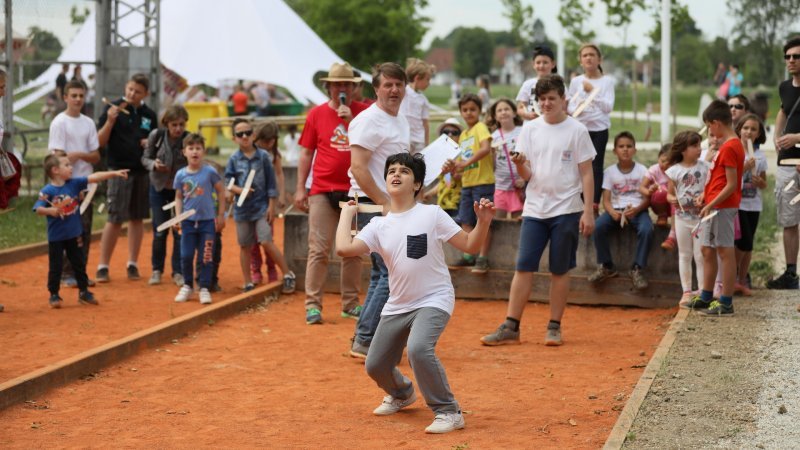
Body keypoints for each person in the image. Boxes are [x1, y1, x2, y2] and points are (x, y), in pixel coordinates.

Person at [335, 153, 495, 434]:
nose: (396, 174)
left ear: (417, 183)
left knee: (420, 350)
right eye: (391, 171)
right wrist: (346, 214)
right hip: (397, 304)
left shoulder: (431, 214)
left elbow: (469, 245)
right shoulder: (378, 226)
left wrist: (483, 222)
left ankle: (448, 411)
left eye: (405, 171)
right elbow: (344, 249)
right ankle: (402, 393)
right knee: (375, 365)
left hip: (434, 298)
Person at [480, 74, 595, 347]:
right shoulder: (529, 129)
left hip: (567, 208)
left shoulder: (577, 130)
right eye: (541, 99)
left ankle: (554, 326)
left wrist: (588, 211)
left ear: (563, 99)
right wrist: (519, 164)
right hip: (534, 208)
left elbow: (587, 173)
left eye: (551, 99)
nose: (546, 104)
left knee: (560, 269)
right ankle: (511, 325)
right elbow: (528, 174)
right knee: (524, 266)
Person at [294, 62, 369, 325]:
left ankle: (350, 304)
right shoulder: (315, 114)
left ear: (354, 87)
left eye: (347, 84)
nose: (342, 89)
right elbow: (306, 153)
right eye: (337, 84)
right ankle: (313, 305)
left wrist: (351, 121)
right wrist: (300, 188)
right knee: (319, 249)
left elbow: (372, 145)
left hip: (354, 190)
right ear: (328, 87)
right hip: (323, 189)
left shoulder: (365, 112)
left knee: (352, 249)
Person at [347, 62, 410, 358]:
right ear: (376, 89)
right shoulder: (369, 120)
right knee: (388, 273)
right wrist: (384, 203)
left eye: (399, 84)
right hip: (372, 205)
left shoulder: (400, 118)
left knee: (379, 274)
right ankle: (366, 338)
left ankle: (364, 337)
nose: (394, 90)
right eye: (388, 85)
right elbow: (358, 168)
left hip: (385, 206)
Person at [35, 151, 129, 308]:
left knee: (79, 263)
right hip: (56, 237)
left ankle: (84, 292)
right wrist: (50, 211)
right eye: (66, 165)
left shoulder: (74, 183)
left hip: (73, 234)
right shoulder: (47, 191)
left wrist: (114, 173)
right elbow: (38, 208)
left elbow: (95, 177)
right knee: (56, 266)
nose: (71, 167)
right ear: (55, 170)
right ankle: (54, 294)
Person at [95, 73, 157, 283]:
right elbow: (100, 142)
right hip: (117, 170)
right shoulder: (112, 108)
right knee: (114, 218)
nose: (132, 94)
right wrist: (110, 121)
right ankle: (103, 266)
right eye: (130, 89)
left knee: (137, 218)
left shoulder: (149, 115)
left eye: (137, 91)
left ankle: (133, 263)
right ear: (125, 87)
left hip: (141, 170)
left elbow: (155, 144)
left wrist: (149, 143)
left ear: (145, 94)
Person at [684, 100, 745, 316]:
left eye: (709, 125)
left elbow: (731, 184)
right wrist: (706, 195)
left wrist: (710, 203)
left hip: (722, 207)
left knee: (724, 252)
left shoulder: (730, 146)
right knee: (707, 250)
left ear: (716, 123)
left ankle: (726, 301)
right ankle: (706, 295)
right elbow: (718, 179)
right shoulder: (726, 145)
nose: (709, 130)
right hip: (714, 205)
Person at [225, 118, 295, 294]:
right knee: (245, 245)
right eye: (240, 134)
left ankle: (287, 274)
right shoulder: (233, 159)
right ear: (234, 138)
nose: (244, 136)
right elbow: (228, 182)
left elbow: (272, 183)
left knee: (266, 241)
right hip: (242, 210)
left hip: (261, 207)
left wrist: (271, 206)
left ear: (253, 135)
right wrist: (239, 190)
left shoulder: (264, 157)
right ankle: (248, 281)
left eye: (248, 133)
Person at [48, 80, 101, 288]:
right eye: (74, 95)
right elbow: (58, 157)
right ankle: (65, 273)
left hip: (85, 185)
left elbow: (96, 155)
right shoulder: (59, 123)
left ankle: (80, 273)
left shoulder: (88, 123)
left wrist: (81, 155)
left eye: (81, 95)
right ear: (65, 97)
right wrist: (74, 162)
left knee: (84, 230)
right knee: (67, 231)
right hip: (66, 185)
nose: (78, 99)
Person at [587, 131, 652, 290]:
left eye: (629, 146)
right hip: (616, 210)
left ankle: (637, 268)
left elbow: (647, 199)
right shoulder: (609, 172)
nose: (625, 150)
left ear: (635, 150)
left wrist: (637, 210)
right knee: (599, 226)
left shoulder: (643, 170)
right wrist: (611, 212)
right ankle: (607, 266)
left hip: (637, 210)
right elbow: (606, 200)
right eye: (621, 146)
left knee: (647, 229)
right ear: (615, 151)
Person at [172, 134, 227, 304]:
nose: (194, 152)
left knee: (206, 256)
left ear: (203, 151)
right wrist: (178, 217)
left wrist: (220, 215)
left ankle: (204, 287)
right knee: (186, 255)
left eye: (198, 148)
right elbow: (179, 197)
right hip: (188, 223)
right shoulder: (180, 174)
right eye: (191, 148)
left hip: (207, 222)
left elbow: (221, 191)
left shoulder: (210, 172)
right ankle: (188, 286)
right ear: (184, 152)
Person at [445, 93, 494, 273]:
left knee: (484, 220)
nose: (468, 113)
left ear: (479, 111)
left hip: (483, 182)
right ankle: (468, 255)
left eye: (472, 109)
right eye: (465, 110)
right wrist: (456, 170)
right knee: (466, 219)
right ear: (460, 112)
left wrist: (464, 164)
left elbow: (485, 149)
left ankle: (482, 257)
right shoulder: (464, 134)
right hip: (468, 183)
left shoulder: (480, 127)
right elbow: (465, 161)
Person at [141, 105, 189, 286]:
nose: (178, 129)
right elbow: (144, 158)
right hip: (158, 188)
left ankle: (178, 271)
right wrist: (154, 164)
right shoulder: (157, 136)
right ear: (166, 124)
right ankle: (156, 270)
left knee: (179, 231)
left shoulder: (187, 139)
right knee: (160, 231)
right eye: (174, 125)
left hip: (181, 191)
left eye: (181, 125)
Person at [767, 36, 800, 290]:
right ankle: (791, 273)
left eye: (796, 56)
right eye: (788, 56)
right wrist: (777, 137)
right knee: (789, 219)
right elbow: (783, 109)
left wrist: (796, 137)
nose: (791, 61)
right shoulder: (785, 87)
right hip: (787, 163)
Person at [567, 43, 614, 211]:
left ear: (599, 59)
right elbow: (570, 107)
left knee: (596, 165)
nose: (588, 58)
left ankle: (594, 202)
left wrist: (593, 91)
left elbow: (608, 107)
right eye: (585, 55)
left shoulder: (607, 81)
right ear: (580, 60)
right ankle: (578, 199)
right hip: (580, 128)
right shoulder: (576, 81)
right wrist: (579, 105)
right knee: (577, 164)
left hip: (599, 129)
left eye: (592, 55)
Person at [665, 131, 709, 307]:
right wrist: (672, 199)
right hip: (682, 218)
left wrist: (705, 196)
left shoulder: (706, 167)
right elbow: (669, 194)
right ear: (683, 149)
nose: (699, 149)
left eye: (699, 145)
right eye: (695, 146)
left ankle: (703, 291)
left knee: (700, 255)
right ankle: (687, 292)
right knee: (684, 254)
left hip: (701, 218)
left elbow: (711, 187)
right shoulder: (674, 170)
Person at [735, 113, 768, 295]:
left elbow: (764, 183)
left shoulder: (760, 156)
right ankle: (730, 277)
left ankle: (742, 280)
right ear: (739, 130)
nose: (748, 132)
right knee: (743, 242)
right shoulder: (734, 152)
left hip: (753, 204)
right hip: (737, 204)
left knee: (749, 245)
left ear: (758, 134)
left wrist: (760, 182)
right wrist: (744, 168)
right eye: (745, 128)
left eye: (753, 129)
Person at [250, 121, 285, 285]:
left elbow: (279, 175)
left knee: (267, 238)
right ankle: (255, 270)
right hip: (251, 202)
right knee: (252, 240)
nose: (268, 144)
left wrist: (281, 196)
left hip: (267, 202)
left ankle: (271, 268)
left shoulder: (274, 155)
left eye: (271, 141)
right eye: (265, 141)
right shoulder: (251, 154)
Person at [487, 99, 524, 219]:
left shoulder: (523, 131)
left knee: (518, 225)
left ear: (514, 113)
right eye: (499, 110)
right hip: (500, 187)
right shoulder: (492, 137)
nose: (503, 112)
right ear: (495, 116)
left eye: (507, 109)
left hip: (519, 187)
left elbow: (531, 157)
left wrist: (523, 179)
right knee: (498, 223)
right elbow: (491, 166)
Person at [423, 118, 463, 219]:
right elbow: (446, 181)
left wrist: (452, 173)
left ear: (460, 136)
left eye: (454, 132)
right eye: (446, 132)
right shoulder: (441, 157)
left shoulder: (463, 156)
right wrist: (430, 193)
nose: (450, 135)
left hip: (457, 203)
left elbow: (464, 179)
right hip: (443, 203)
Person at [399, 58, 435, 154]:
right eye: (427, 79)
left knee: (418, 166)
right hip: (404, 138)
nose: (429, 83)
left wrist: (427, 144)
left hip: (419, 141)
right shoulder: (403, 91)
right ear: (417, 78)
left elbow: (425, 123)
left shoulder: (423, 100)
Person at [516, 45, 558, 121]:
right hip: (532, 125)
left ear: (553, 64)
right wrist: (527, 115)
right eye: (538, 62)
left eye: (545, 62)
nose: (541, 66)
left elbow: (564, 107)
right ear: (533, 65)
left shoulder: (559, 84)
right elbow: (520, 108)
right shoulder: (528, 84)